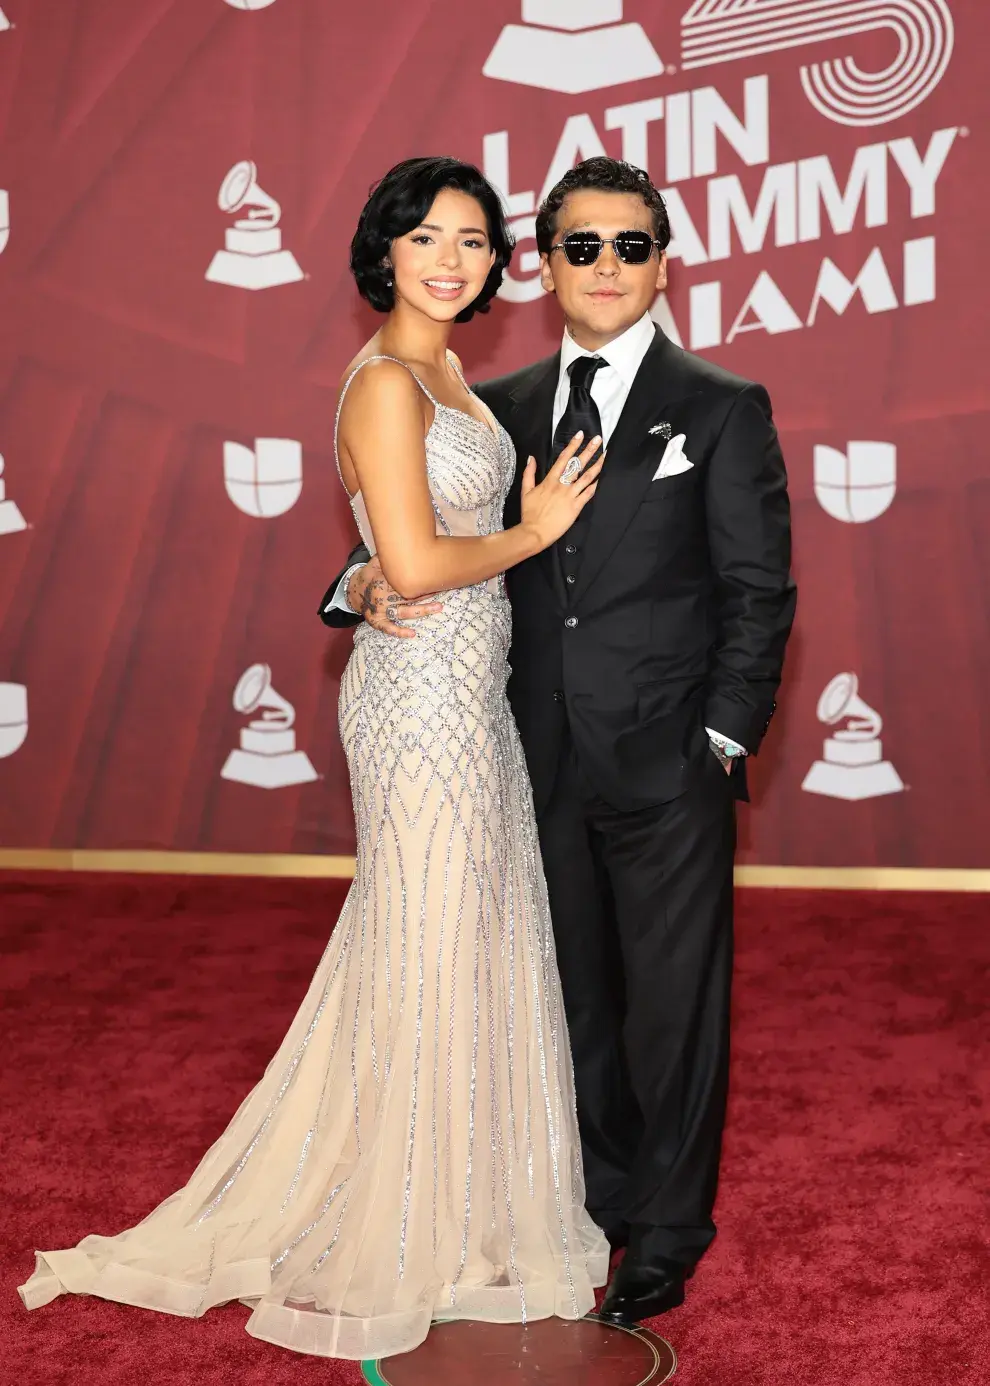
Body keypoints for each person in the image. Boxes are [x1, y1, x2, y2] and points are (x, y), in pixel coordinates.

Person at [17, 157, 610, 1360]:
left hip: (464, 694)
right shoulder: (390, 382)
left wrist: (355, 580)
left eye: (474, 240)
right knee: (432, 935)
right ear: (382, 250)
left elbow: (383, 555)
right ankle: (399, 1223)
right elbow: (422, 555)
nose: (453, 258)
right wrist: (534, 528)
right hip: (418, 707)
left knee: (464, 936)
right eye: (427, 237)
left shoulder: (445, 370)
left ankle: (456, 1208)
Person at [322, 155, 797, 1325]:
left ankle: (668, 1231)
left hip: (668, 758)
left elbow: (759, 588)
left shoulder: (722, 405)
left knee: (674, 1004)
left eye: (631, 245)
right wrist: (356, 582)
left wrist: (724, 739)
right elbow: (425, 532)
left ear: (664, 260)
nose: (607, 267)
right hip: (521, 749)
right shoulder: (501, 403)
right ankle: (591, 1200)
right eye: (581, 246)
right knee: (566, 996)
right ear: (545, 265)